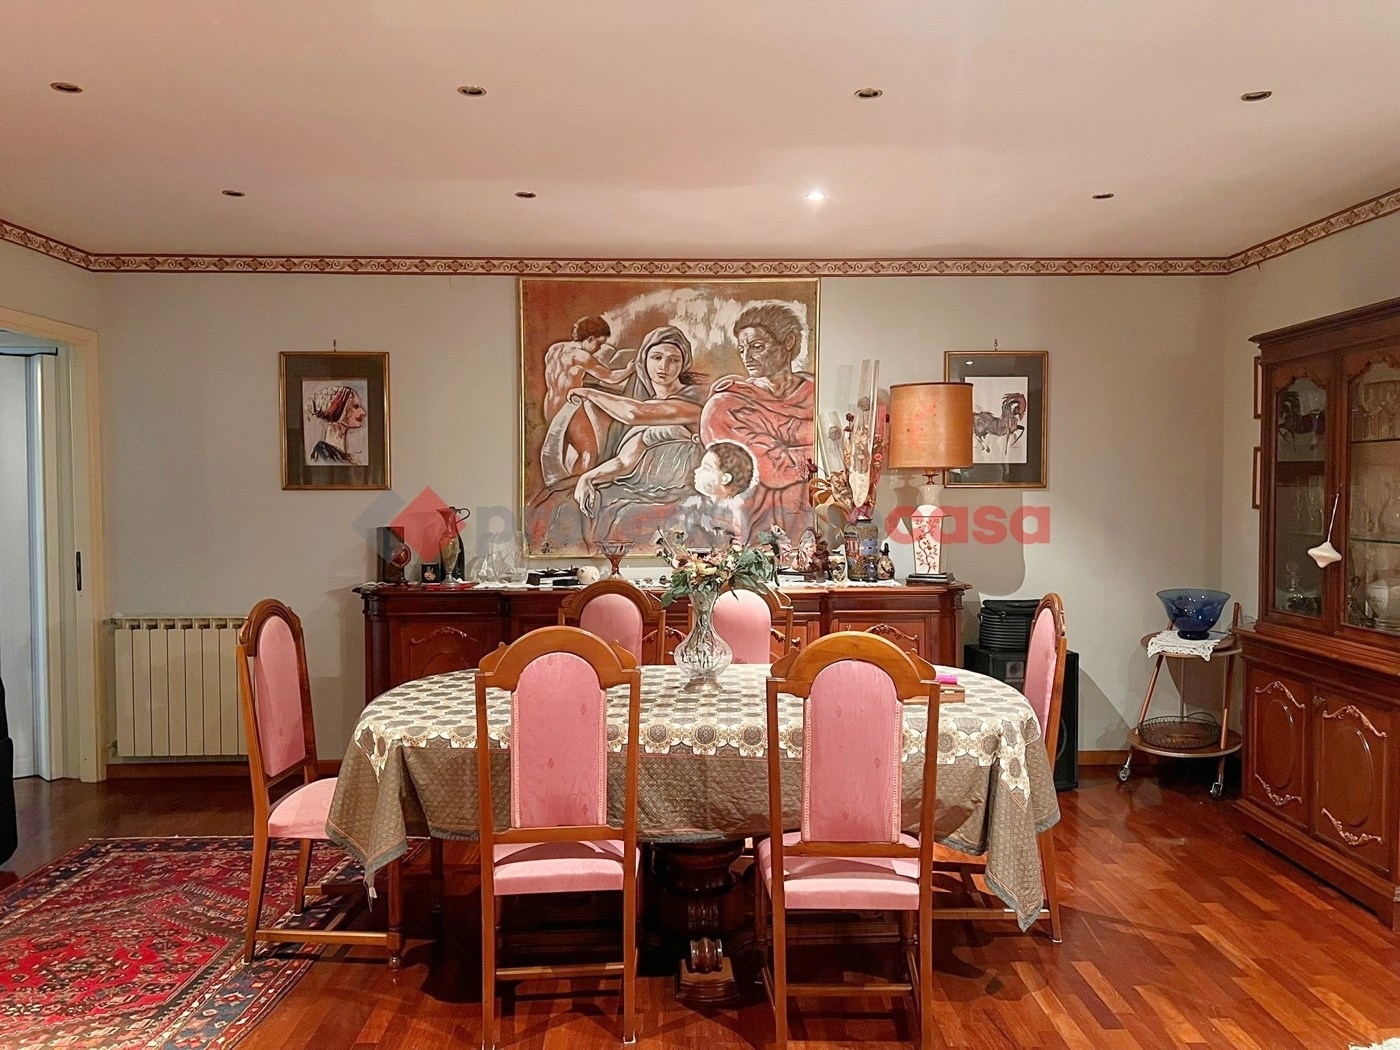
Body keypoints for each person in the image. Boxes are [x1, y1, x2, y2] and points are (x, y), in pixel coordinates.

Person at [564, 325, 707, 544]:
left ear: (683, 364)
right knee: (570, 506)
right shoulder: (651, 405)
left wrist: (589, 393)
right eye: (656, 357)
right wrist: (588, 478)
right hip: (642, 489)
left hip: (682, 493)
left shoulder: (693, 399)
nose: (664, 366)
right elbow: (625, 460)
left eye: (674, 360)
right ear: (643, 360)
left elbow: (634, 414)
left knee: (624, 519)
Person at [699, 303, 815, 543]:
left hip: (811, 532)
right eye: (742, 349)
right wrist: (813, 447)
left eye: (757, 347)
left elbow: (833, 460)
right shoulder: (726, 405)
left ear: (788, 341)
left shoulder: (816, 393)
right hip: (753, 530)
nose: (747, 357)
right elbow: (774, 469)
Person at [539, 316, 636, 482]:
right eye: (598, 344)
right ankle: (575, 489)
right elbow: (611, 377)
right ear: (590, 338)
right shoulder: (580, 356)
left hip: (549, 406)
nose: (599, 349)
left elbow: (563, 378)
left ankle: (560, 488)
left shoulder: (554, 349)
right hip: (568, 407)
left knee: (559, 453)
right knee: (588, 452)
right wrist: (629, 368)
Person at [306, 384, 366, 464]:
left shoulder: (341, 458)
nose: (363, 412)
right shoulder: (324, 457)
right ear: (337, 410)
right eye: (355, 406)